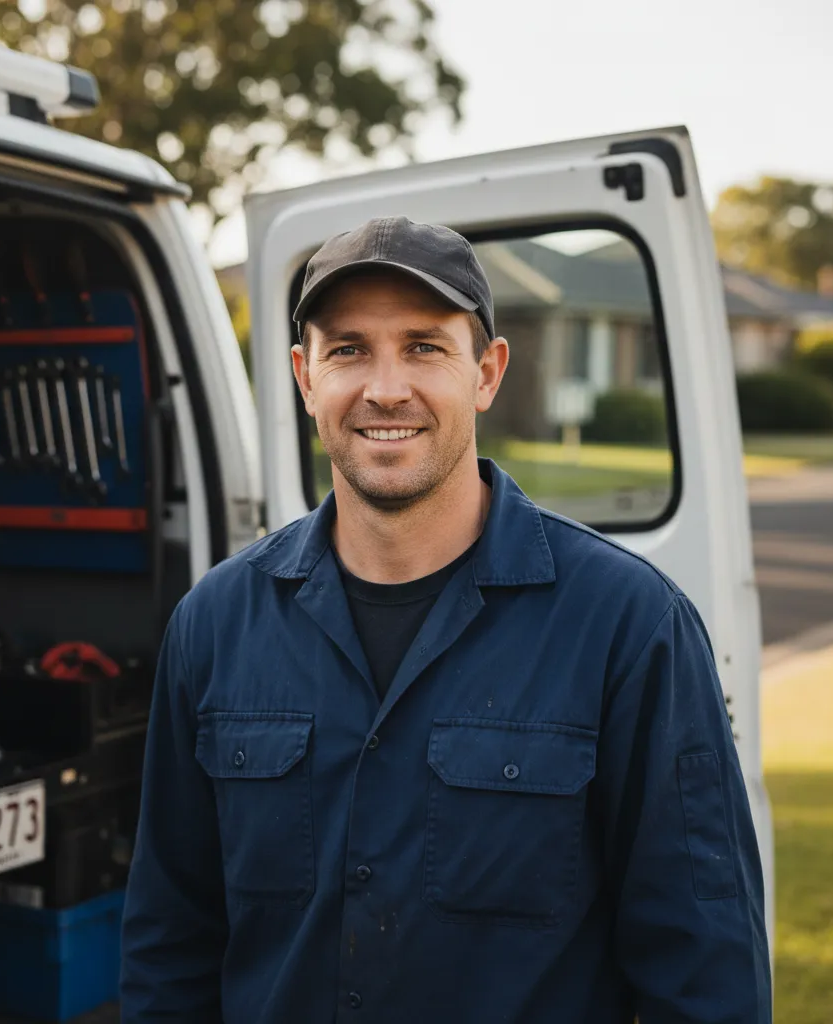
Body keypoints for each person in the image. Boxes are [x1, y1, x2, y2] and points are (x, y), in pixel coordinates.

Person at [120, 216, 771, 1023]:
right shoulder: (213, 626)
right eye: (348, 348)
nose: (385, 388)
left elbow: (704, 972)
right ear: (303, 375)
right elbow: (170, 943)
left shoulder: (630, 627)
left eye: (424, 346)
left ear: (486, 373)